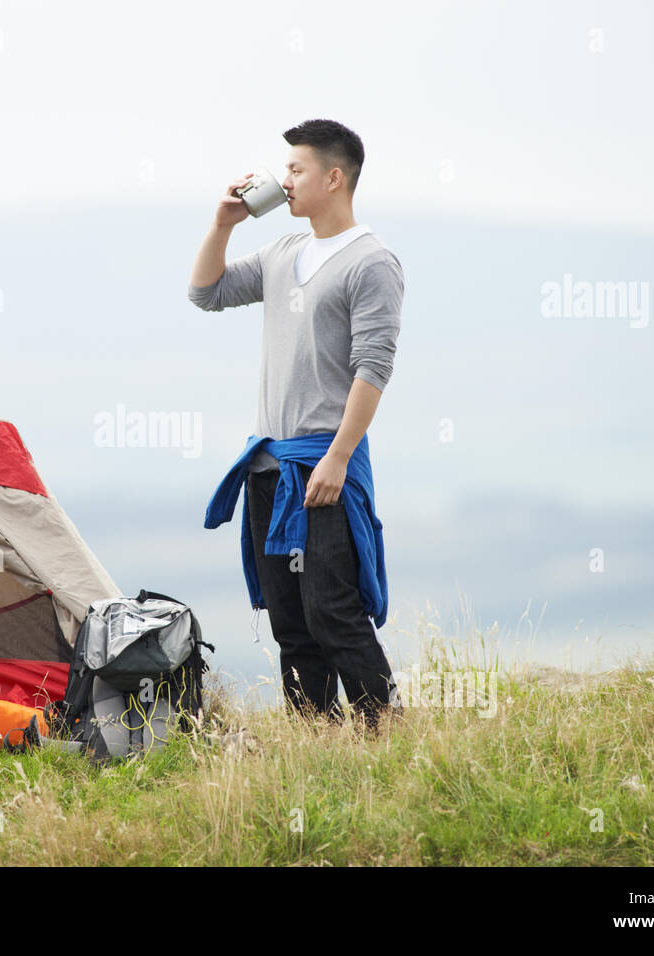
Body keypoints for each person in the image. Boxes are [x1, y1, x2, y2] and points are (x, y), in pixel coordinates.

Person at [188, 118, 403, 729]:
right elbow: (206, 292)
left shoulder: (372, 262)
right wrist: (222, 225)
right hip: (267, 463)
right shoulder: (283, 253)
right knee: (289, 616)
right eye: (285, 170)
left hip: (323, 461)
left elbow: (373, 367)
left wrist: (338, 457)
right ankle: (316, 742)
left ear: (333, 178)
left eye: (296, 170)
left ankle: (385, 730)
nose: (284, 182)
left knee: (332, 607)